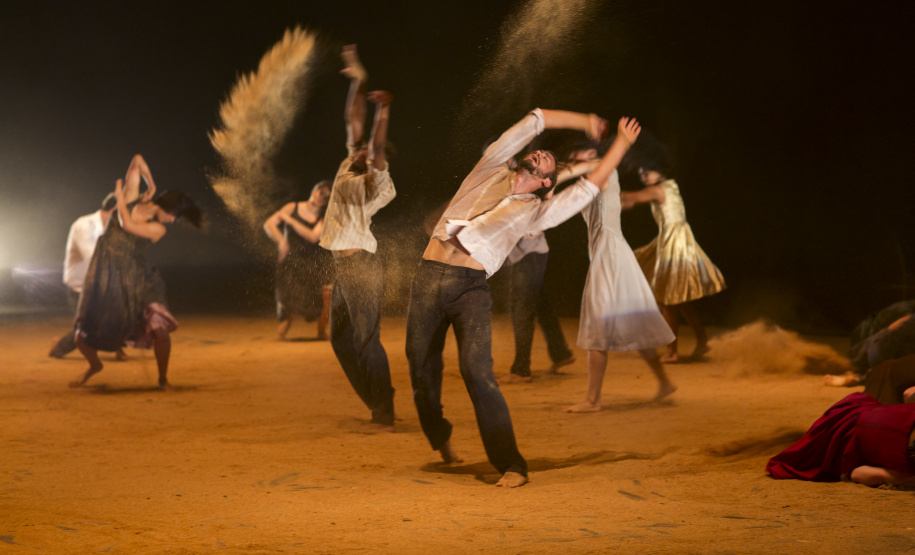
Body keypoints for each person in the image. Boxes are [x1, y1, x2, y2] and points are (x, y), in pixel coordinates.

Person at [407, 109, 639, 488]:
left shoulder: (535, 214)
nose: (542, 153)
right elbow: (536, 120)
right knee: (421, 370)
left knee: (477, 372)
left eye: (549, 160)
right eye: (540, 152)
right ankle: (440, 437)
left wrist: (622, 145)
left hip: (469, 288)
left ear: (547, 181)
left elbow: (588, 187)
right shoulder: (491, 167)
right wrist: (584, 122)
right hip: (427, 277)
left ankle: (512, 465)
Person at [558, 145, 676, 412]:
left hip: (609, 255)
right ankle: (665, 382)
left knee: (597, 325)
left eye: (592, 152)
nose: (592, 154)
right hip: (614, 253)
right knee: (635, 325)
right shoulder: (586, 184)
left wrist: (557, 175)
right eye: (584, 151)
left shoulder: (604, 171)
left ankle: (593, 400)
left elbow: (588, 171)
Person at [70, 154, 202, 389]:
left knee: (160, 330)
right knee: (81, 336)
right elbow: (138, 160)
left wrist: (120, 196)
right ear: (168, 207)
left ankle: (163, 380)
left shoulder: (158, 228)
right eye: (174, 215)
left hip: (140, 278)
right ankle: (94, 365)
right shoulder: (132, 199)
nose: (172, 220)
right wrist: (151, 185)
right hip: (109, 274)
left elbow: (127, 224)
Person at [319, 45, 396, 430]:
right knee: (340, 339)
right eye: (360, 148)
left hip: (362, 267)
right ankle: (378, 401)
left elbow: (377, 144)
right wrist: (359, 79)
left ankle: (384, 411)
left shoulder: (376, 182)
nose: (362, 149)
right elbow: (353, 119)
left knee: (367, 339)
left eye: (368, 151)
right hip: (344, 267)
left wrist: (384, 111)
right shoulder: (350, 163)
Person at [622, 141, 726, 363]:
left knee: (667, 299)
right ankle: (702, 340)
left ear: (660, 171)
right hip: (677, 241)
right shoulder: (671, 186)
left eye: (647, 171)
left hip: (674, 245)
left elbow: (632, 198)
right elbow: (630, 200)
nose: (643, 175)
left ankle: (672, 352)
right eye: (642, 172)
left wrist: (603, 189)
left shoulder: (658, 189)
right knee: (678, 300)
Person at [767, 392, 915, 487]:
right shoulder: (904, 471)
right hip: (854, 428)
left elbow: (908, 394)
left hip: (860, 418)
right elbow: (856, 473)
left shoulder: (903, 470)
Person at [48, 193, 126, 360]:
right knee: (86, 328)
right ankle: (59, 347)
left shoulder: (113, 229)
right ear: (115, 210)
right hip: (80, 285)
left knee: (117, 315)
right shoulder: (84, 225)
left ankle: (118, 348)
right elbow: (91, 256)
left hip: (101, 284)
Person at [500, 233, 576, 383]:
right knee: (541, 306)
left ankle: (521, 370)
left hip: (527, 255)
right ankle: (561, 353)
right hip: (532, 253)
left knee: (522, 310)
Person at [263, 180, 333, 340]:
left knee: (325, 297)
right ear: (314, 190)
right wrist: (281, 241)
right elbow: (269, 224)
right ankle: (281, 334)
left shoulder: (324, 217)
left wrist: (290, 220)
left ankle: (321, 333)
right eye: (321, 192)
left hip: (312, 263)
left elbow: (313, 237)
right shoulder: (292, 207)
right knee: (288, 302)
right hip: (290, 262)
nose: (322, 198)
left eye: (327, 197)